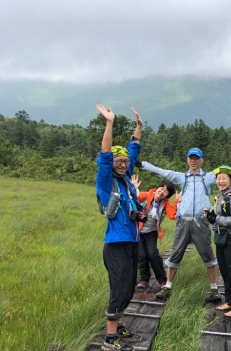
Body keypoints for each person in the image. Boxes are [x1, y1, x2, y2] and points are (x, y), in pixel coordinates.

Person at [136, 147, 231, 302]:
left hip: (201, 221)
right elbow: (161, 171)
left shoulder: (208, 177)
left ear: (201, 160)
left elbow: (228, 171)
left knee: (208, 255)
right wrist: (140, 164)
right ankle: (167, 286)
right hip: (183, 221)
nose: (193, 161)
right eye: (191, 158)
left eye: (196, 158)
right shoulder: (181, 177)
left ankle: (214, 289)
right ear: (187, 160)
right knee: (175, 254)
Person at [95, 104, 143, 351]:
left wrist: (138, 127)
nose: (123, 164)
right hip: (115, 244)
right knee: (119, 288)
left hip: (132, 241)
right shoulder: (106, 181)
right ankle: (109, 339)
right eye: (119, 161)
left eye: (125, 161)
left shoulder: (125, 179)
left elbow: (133, 149)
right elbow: (105, 156)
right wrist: (110, 123)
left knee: (129, 286)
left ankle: (120, 325)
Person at [204, 166, 231, 318]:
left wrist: (216, 218)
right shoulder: (221, 196)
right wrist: (211, 217)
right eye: (218, 178)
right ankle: (230, 301)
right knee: (225, 270)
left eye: (224, 178)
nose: (220, 181)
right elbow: (220, 219)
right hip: (221, 238)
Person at [134, 177, 181, 289]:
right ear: (157, 188)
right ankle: (144, 279)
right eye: (161, 188)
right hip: (137, 231)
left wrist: (177, 202)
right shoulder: (146, 195)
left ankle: (162, 280)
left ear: (167, 195)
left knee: (152, 254)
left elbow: (173, 215)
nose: (162, 192)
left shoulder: (165, 204)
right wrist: (133, 188)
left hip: (151, 232)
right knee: (142, 255)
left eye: (166, 191)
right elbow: (132, 200)